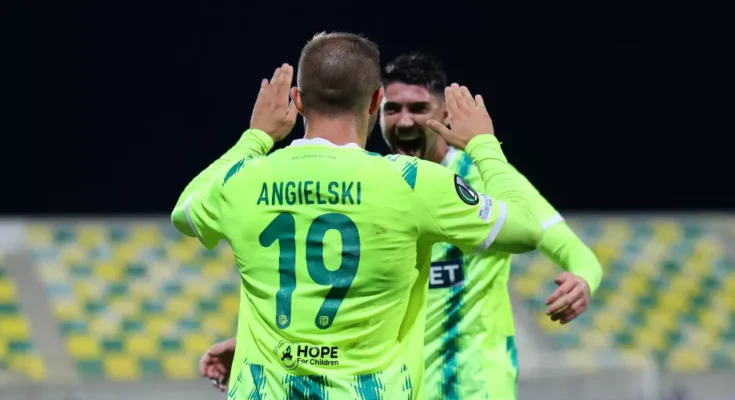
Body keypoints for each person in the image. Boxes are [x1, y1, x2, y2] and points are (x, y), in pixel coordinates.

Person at [174, 32, 542, 399]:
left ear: (298, 101)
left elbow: (185, 212)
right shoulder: (413, 183)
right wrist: (483, 145)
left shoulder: (243, 179)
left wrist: (255, 137)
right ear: (376, 101)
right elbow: (525, 228)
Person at [382, 52, 604, 399]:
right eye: (392, 109)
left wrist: (584, 280)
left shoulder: (487, 178)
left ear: (445, 114)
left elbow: (575, 251)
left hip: (477, 386)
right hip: (401, 388)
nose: (405, 121)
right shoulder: (377, 182)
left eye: (419, 108)